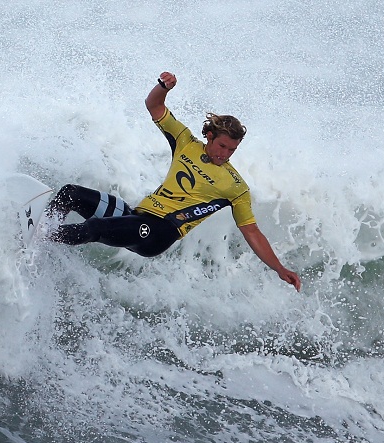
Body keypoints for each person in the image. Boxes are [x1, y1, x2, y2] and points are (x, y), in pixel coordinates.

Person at [45, 71, 301, 291]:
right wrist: (163, 87)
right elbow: (154, 106)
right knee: (71, 194)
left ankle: (41, 238)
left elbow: (252, 232)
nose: (224, 154)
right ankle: (42, 227)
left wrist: (278, 267)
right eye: (222, 145)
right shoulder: (185, 143)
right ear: (210, 136)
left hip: (158, 233)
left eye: (231, 150)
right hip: (137, 215)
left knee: (94, 228)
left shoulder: (236, 187)